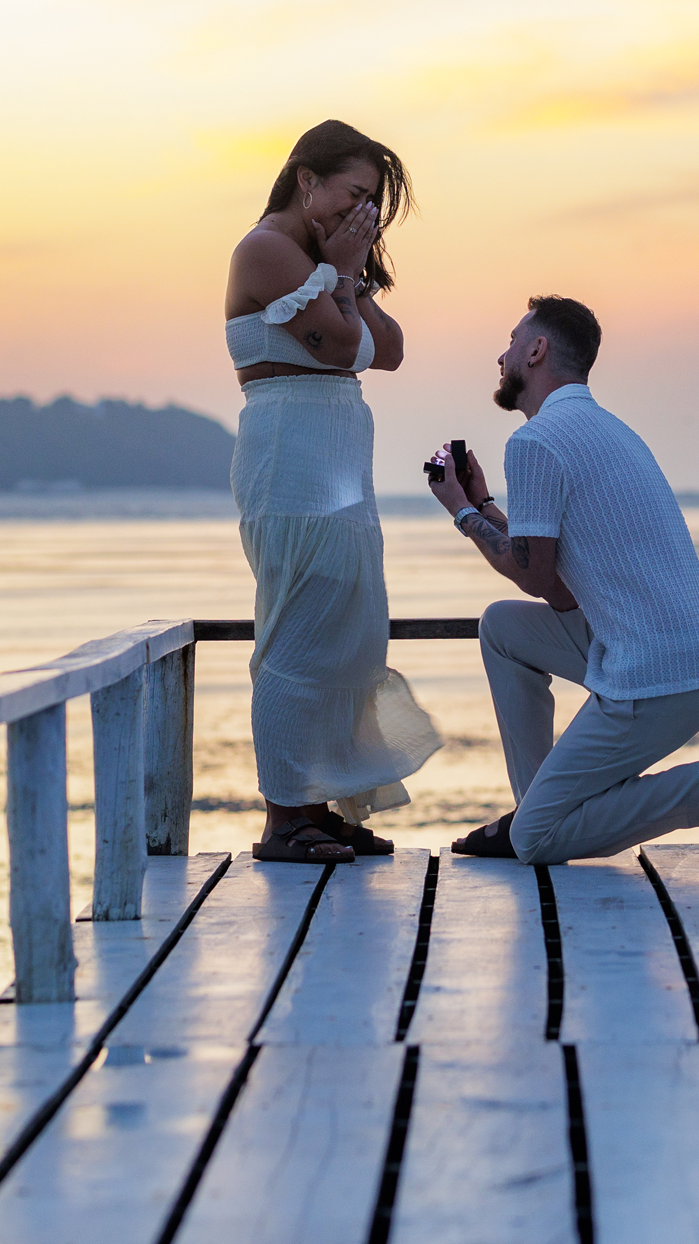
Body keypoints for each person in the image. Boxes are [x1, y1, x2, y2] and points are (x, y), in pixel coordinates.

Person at [426, 295, 699, 866]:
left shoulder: (536, 442)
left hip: (656, 677)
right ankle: (536, 804)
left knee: (536, 843)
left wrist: (461, 511)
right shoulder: (607, 430)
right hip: (681, 655)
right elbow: (558, 590)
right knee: (502, 628)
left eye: (512, 340)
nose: (501, 354)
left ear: (536, 351)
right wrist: (483, 501)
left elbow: (533, 576)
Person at [225, 120, 441, 863]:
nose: (364, 214)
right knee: (298, 630)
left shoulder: (324, 260)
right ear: (305, 178)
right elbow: (348, 345)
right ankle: (285, 815)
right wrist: (344, 276)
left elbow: (395, 350)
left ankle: (321, 798)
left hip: (340, 452)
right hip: (290, 450)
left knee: (348, 630)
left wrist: (349, 271)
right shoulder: (266, 250)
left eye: (373, 202)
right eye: (354, 193)